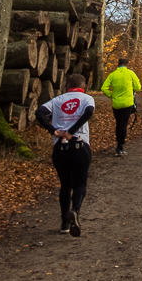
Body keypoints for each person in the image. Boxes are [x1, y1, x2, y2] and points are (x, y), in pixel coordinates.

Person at [35, 73, 95, 237]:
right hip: (80, 145)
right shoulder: (87, 98)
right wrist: (72, 131)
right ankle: (74, 211)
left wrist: (53, 130)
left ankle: (64, 223)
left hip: (59, 149)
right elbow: (89, 112)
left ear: (67, 86)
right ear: (83, 86)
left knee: (65, 185)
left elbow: (39, 112)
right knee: (80, 184)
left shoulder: (57, 100)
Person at [101, 57, 142, 157]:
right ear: (127, 64)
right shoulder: (130, 73)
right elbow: (138, 87)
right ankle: (120, 147)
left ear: (117, 65)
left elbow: (103, 88)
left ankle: (119, 145)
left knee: (118, 124)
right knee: (123, 125)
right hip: (128, 103)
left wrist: (111, 95)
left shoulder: (113, 75)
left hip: (116, 104)